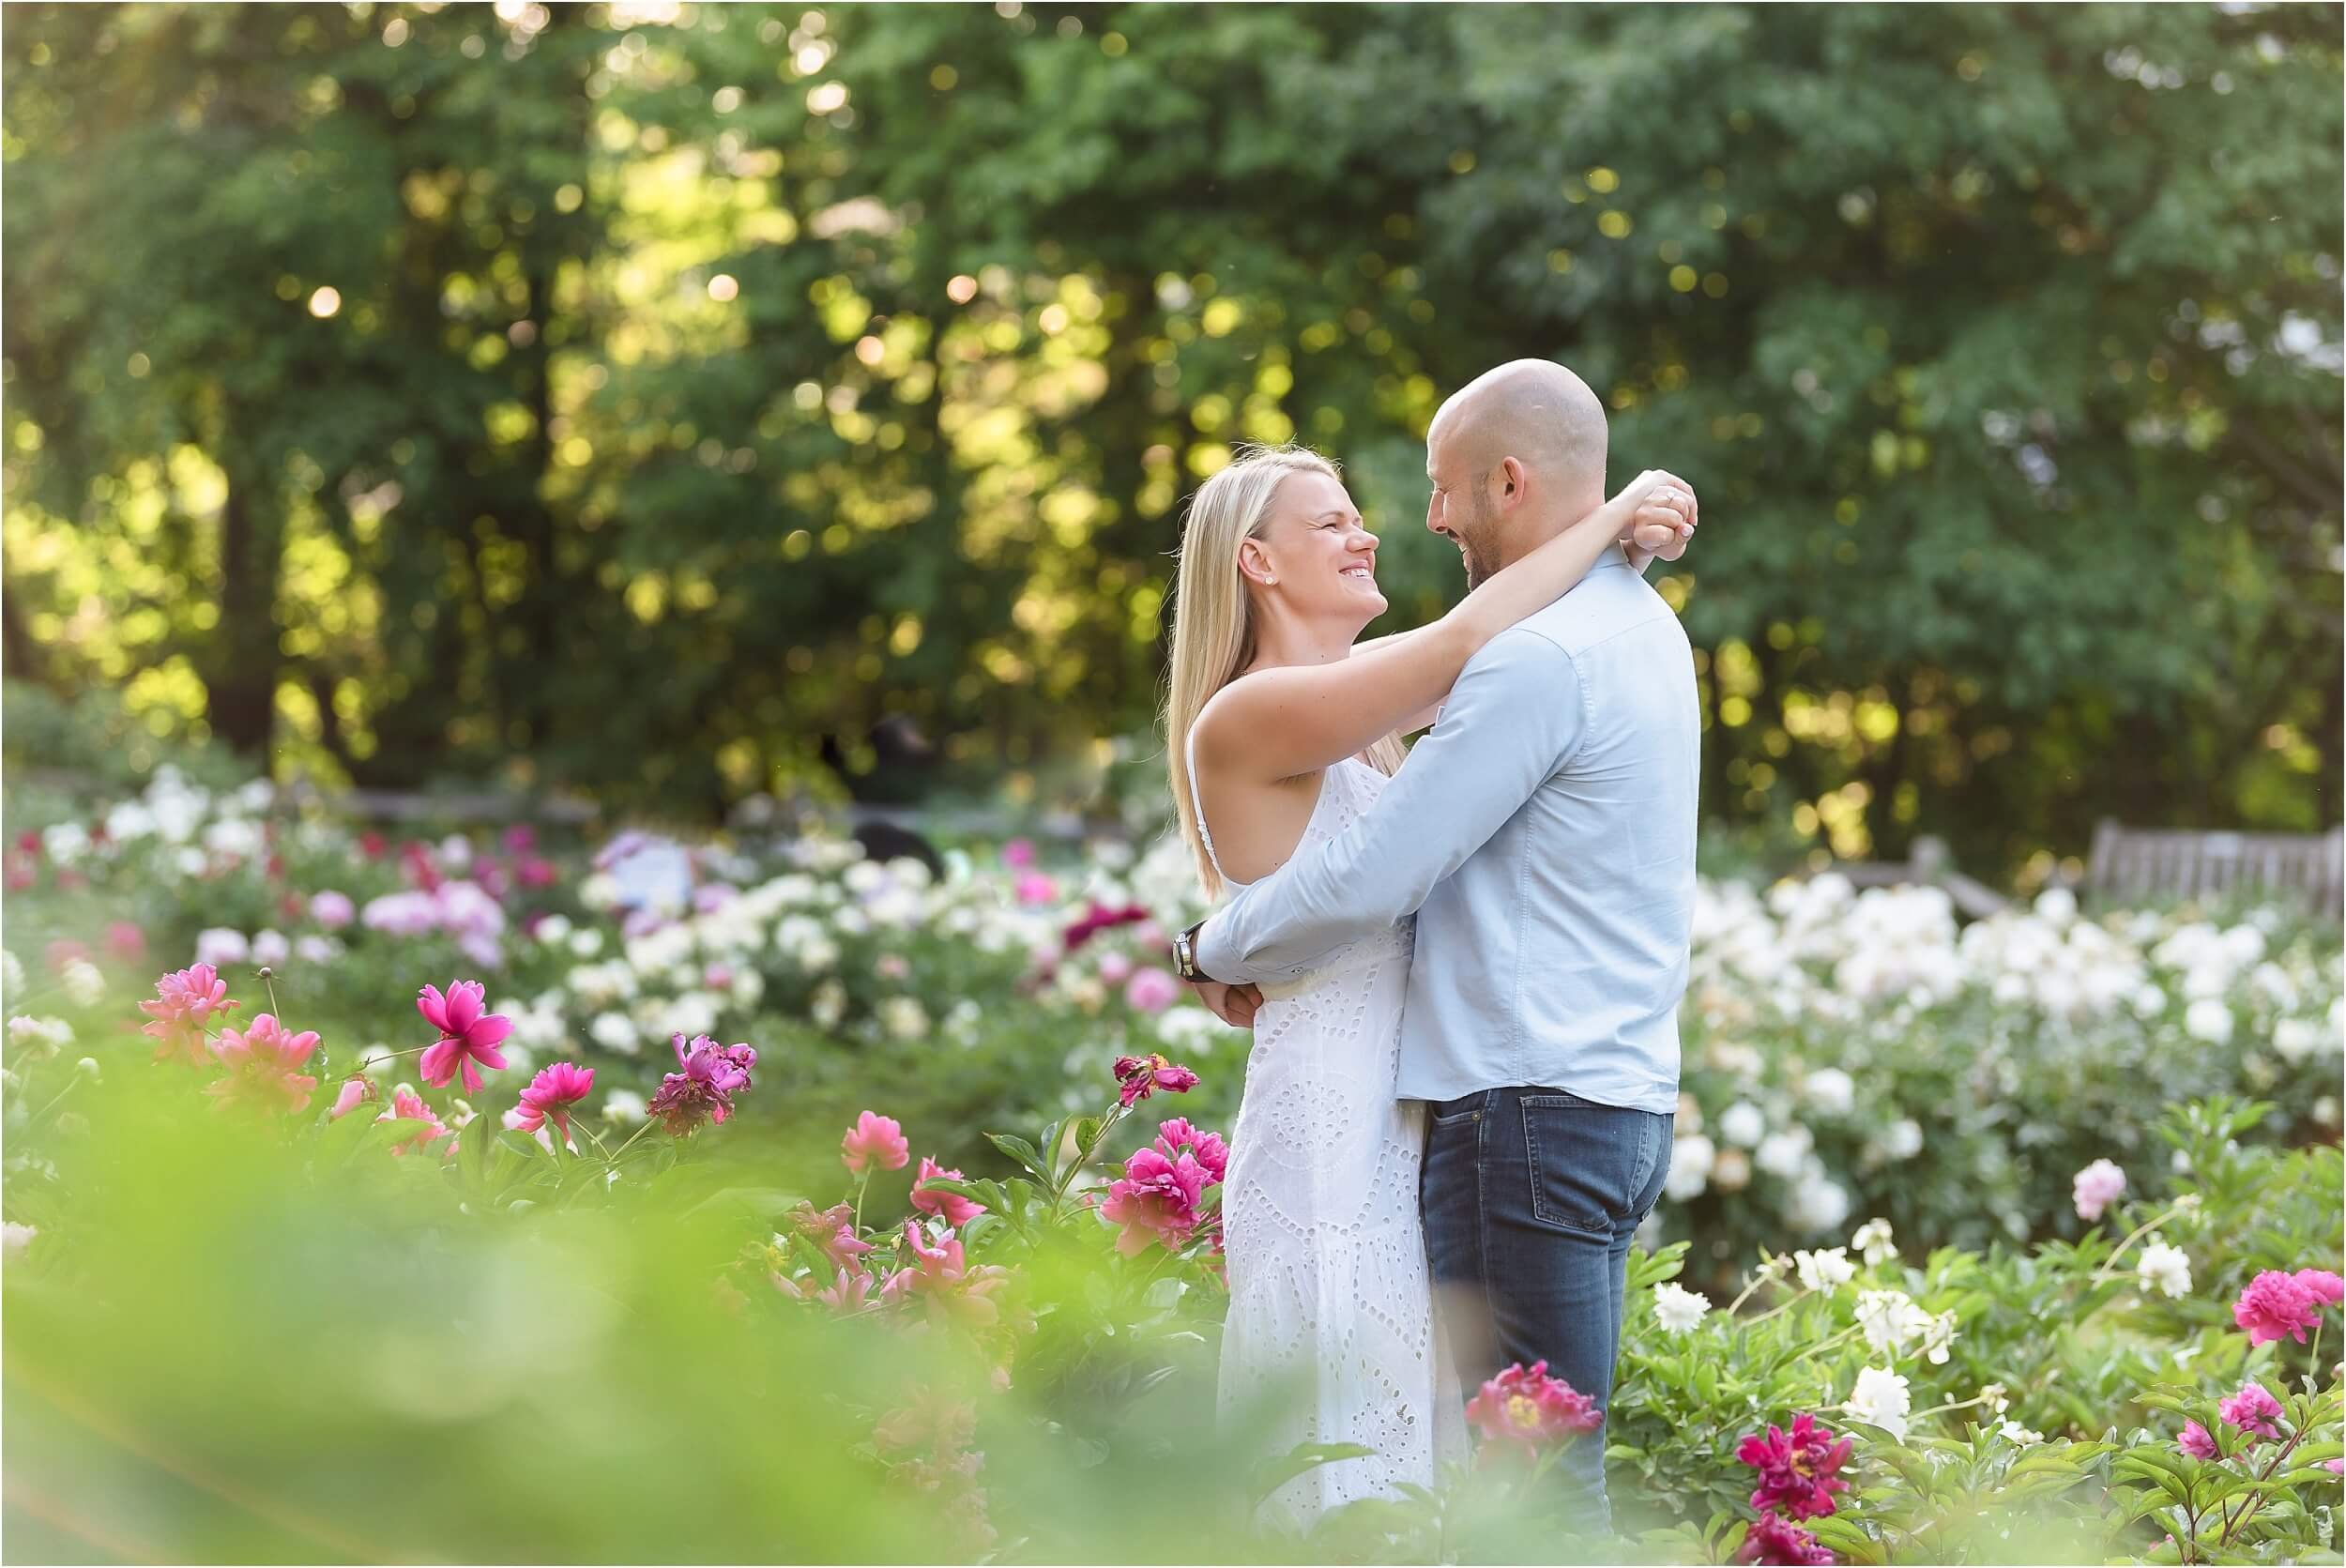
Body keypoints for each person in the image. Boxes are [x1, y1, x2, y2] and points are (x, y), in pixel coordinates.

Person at [1162, 385, 1697, 1523]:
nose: (1375, 532)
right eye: (1331, 523)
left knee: (1443, 1462)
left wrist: (1615, 555)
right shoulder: (1248, 716)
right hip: (1331, 1129)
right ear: (1255, 562)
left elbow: (1537, 668)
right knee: (1354, 1453)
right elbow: (1474, 641)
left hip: (1409, 1121)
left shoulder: (1376, 726)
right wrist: (1612, 518)